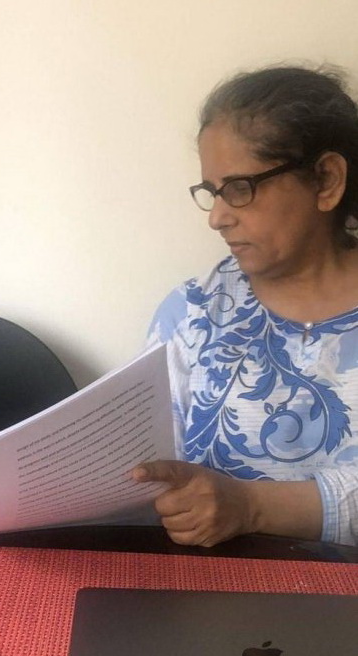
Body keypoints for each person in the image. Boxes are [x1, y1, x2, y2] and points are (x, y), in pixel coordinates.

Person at [131, 64, 358, 548]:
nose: (217, 217)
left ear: (326, 180)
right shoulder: (191, 315)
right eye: (212, 193)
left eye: (239, 188)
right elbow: (147, 475)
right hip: (207, 587)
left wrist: (250, 506)